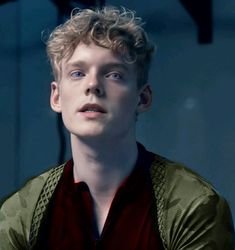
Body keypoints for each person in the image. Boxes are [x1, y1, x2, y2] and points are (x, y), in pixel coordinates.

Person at [0, 6, 234, 250]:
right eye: (77, 73)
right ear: (56, 97)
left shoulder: (194, 205)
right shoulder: (21, 213)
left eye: (113, 74)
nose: (92, 85)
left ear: (142, 98)